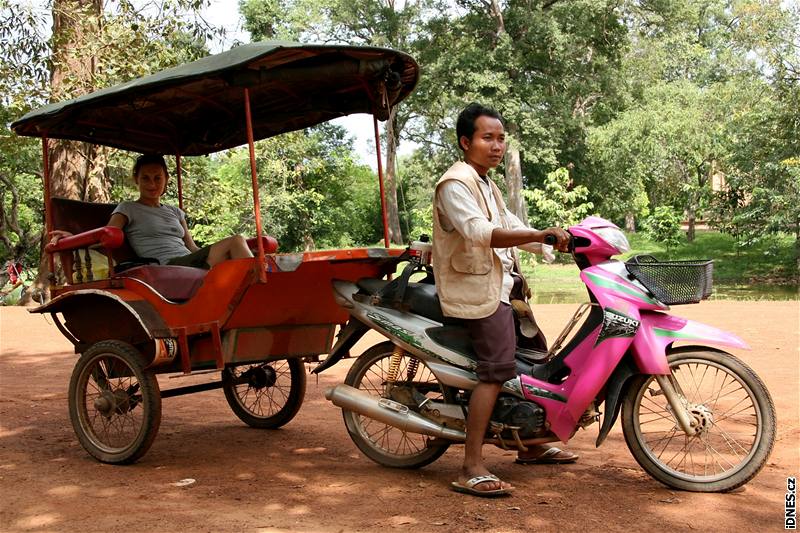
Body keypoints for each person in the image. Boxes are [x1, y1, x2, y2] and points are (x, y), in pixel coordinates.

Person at [433, 103, 577, 497]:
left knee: (536, 358)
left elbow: (510, 224)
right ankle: (470, 464)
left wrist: (553, 241)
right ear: (466, 142)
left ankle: (528, 445)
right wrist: (542, 234)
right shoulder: (455, 184)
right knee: (495, 371)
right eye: (487, 138)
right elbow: (481, 232)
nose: (496, 146)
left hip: (502, 286)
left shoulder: (486, 182)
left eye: (500, 139)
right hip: (476, 290)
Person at [49, 154, 253, 269]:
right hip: (167, 264)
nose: (152, 184)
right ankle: (261, 289)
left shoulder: (175, 212)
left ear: (166, 180)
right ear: (136, 179)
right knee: (236, 241)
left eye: (158, 178)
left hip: (189, 259)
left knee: (243, 255)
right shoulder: (128, 208)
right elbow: (106, 236)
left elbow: (192, 247)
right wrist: (73, 238)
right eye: (145, 178)